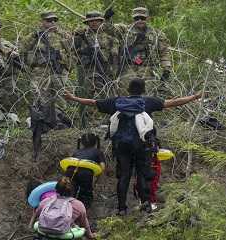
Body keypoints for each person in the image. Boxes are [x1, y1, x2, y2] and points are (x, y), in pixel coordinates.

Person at [64, 78, 202, 215]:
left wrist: (73, 98)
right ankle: (146, 205)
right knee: (142, 174)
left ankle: (122, 208)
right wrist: (195, 96)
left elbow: (92, 102)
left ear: (128, 89)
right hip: (142, 145)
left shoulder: (116, 102)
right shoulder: (148, 102)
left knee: (124, 176)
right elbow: (173, 103)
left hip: (121, 146)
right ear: (143, 90)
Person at [21, 11, 72, 161]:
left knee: (61, 97)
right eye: (49, 21)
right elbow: (23, 48)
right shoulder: (35, 36)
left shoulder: (63, 35)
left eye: (54, 20)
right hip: (40, 70)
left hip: (58, 70)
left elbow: (72, 51)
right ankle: (41, 123)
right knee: (40, 96)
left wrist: (67, 67)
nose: (52, 23)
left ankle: (60, 122)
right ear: (42, 21)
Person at [103, 7, 172, 96]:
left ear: (147, 18)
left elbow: (164, 52)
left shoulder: (157, 34)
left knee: (147, 95)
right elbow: (109, 29)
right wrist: (107, 19)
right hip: (128, 68)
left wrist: (166, 69)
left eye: (142, 18)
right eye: (136, 18)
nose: (139, 20)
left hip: (147, 69)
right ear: (133, 18)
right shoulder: (124, 30)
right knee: (125, 94)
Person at [73, 11, 119, 128]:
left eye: (96, 21)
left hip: (105, 70)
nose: (94, 23)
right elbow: (73, 51)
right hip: (88, 70)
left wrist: (114, 70)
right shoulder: (80, 35)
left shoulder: (109, 37)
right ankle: (86, 122)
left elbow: (115, 54)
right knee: (87, 95)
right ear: (87, 23)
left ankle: (107, 120)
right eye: (91, 21)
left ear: (101, 22)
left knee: (106, 94)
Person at [29, 176, 96, 239]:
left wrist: (31, 227)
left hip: (43, 232)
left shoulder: (46, 201)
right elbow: (84, 224)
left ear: (55, 189)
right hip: (63, 234)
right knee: (77, 228)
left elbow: (35, 215)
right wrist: (90, 235)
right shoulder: (79, 205)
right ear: (73, 191)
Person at [65, 133, 106, 208]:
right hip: (86, 173)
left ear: (82, 142)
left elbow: (72, 161)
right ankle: (82, 212)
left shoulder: (77, 152)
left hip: (70, 170)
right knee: (85, 195)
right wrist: (96, 177)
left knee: (70, 191)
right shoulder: (98, 151)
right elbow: (102, 166)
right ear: (95, 142)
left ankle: (67, 209)